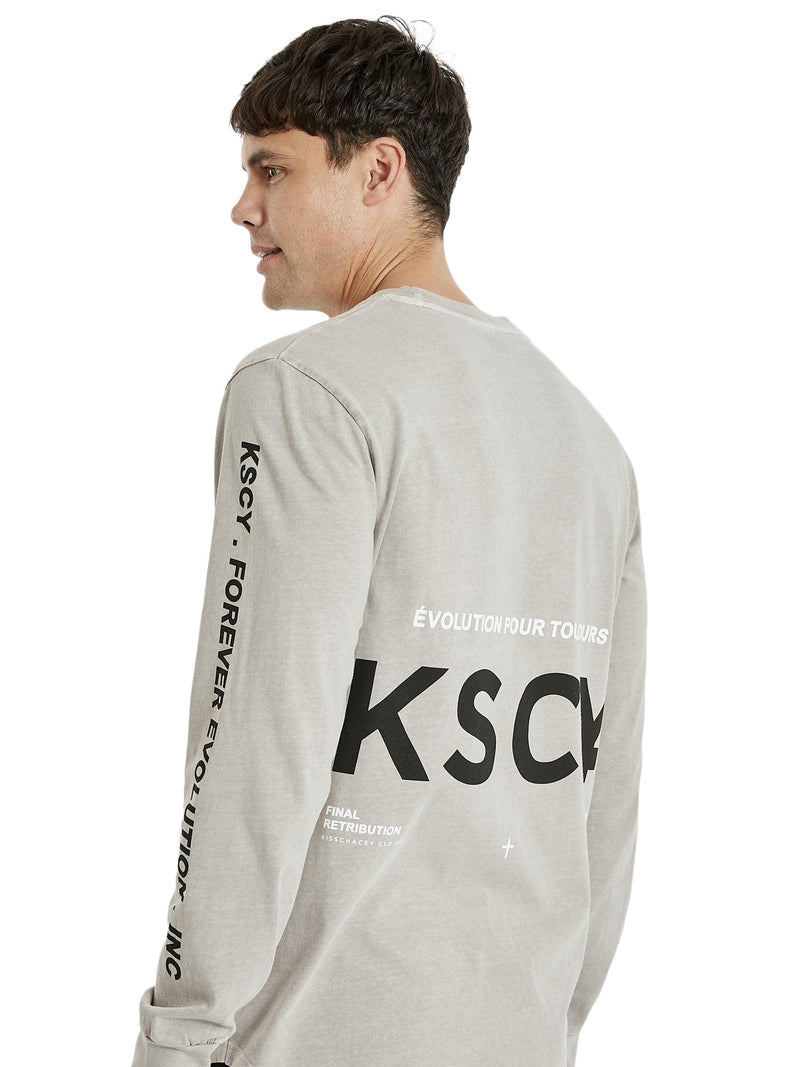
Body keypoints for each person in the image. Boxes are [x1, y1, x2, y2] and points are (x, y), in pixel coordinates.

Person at [130, 16, 647, 1067]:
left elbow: (256, 747)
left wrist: (180, 1035)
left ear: (378, 171)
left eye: (271, 168)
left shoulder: (306, 394)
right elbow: (603, 795)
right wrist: (554, 1025)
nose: (243, 206)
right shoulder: (589, 439)